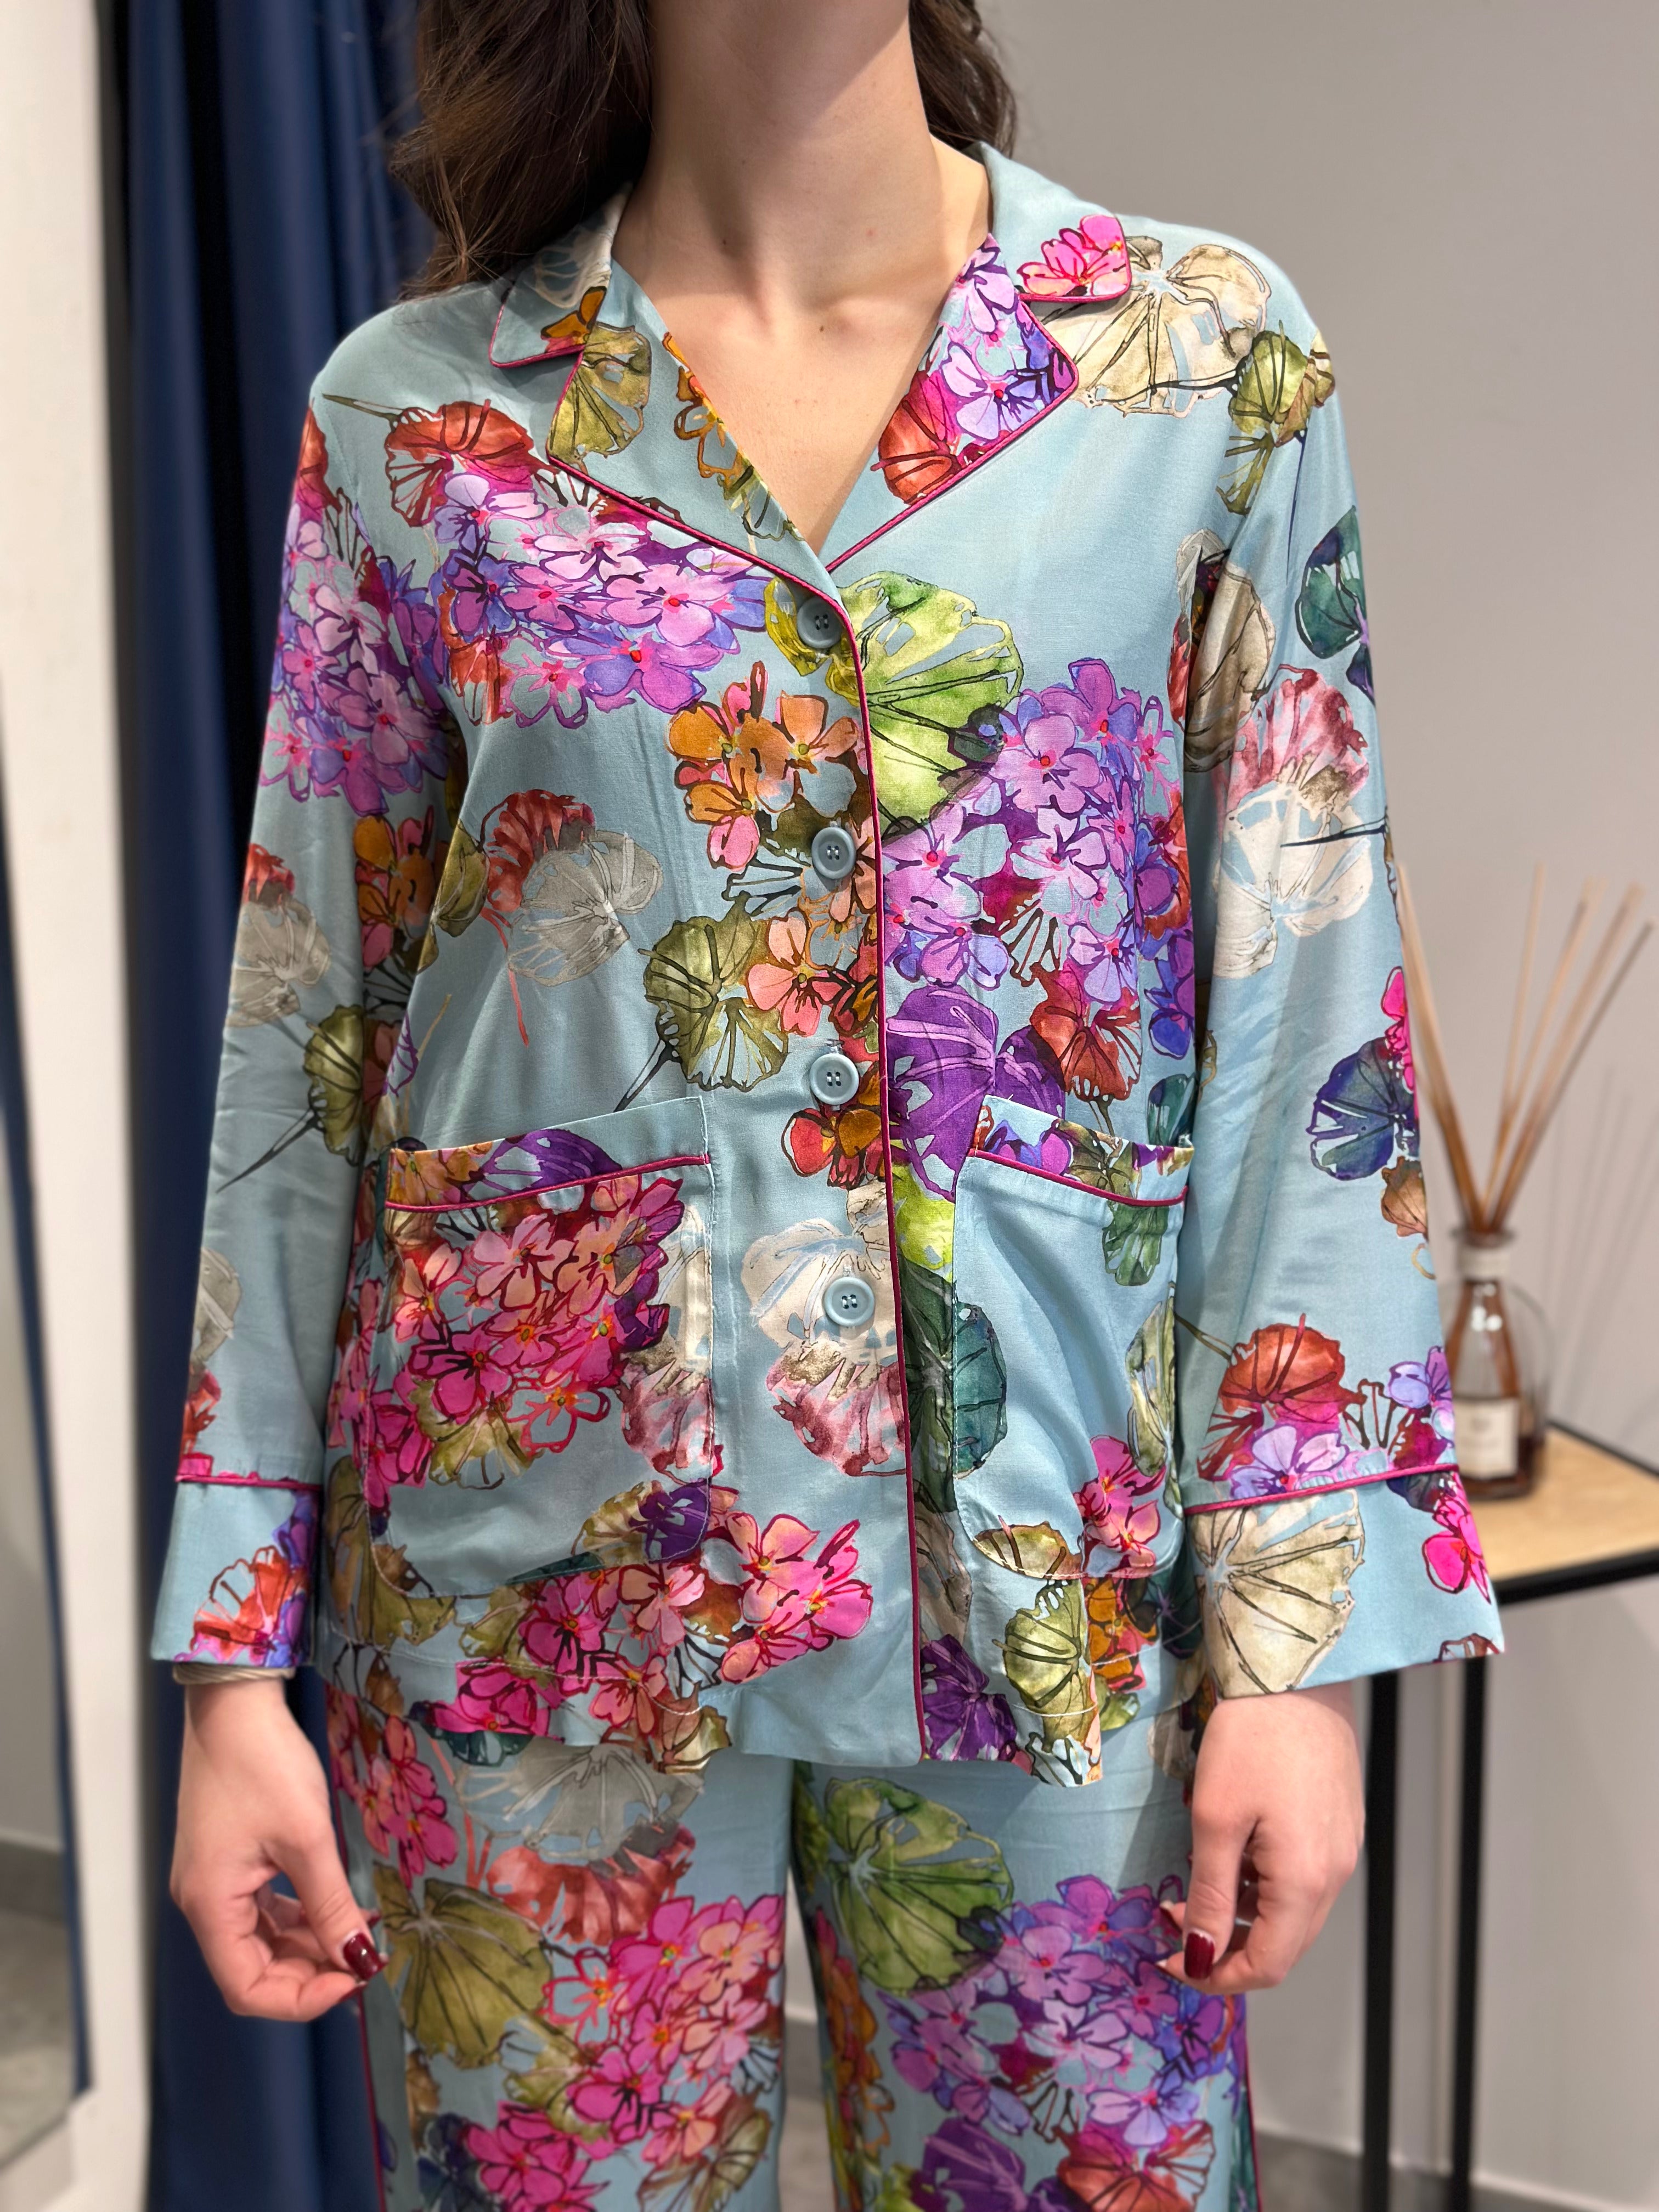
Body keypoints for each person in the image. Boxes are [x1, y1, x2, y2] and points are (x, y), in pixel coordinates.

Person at [154, 3, 1503, 2205]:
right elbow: (311, 1039)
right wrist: (232, 1666)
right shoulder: (418, 419)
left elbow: (1308, 1018)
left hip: (1057, 1582)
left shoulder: (1193, 364)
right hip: (534, 1590)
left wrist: (1297, 1647)